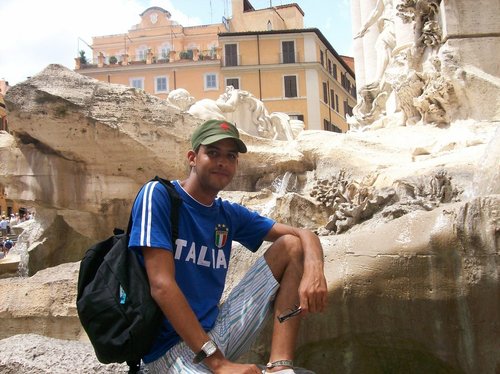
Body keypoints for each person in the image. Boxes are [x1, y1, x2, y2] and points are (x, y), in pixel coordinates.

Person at [128, 119, 328, 374]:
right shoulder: (158, 195)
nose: (222, 162)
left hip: (216, 333)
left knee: (291, 246)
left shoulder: (226, 214)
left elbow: (301, 235)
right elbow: (161, 286)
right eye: (212, 153)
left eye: (230, 156)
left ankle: (280, 367)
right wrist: (219, 364)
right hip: (167, 350)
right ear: (192, 157)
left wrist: (314, 268)